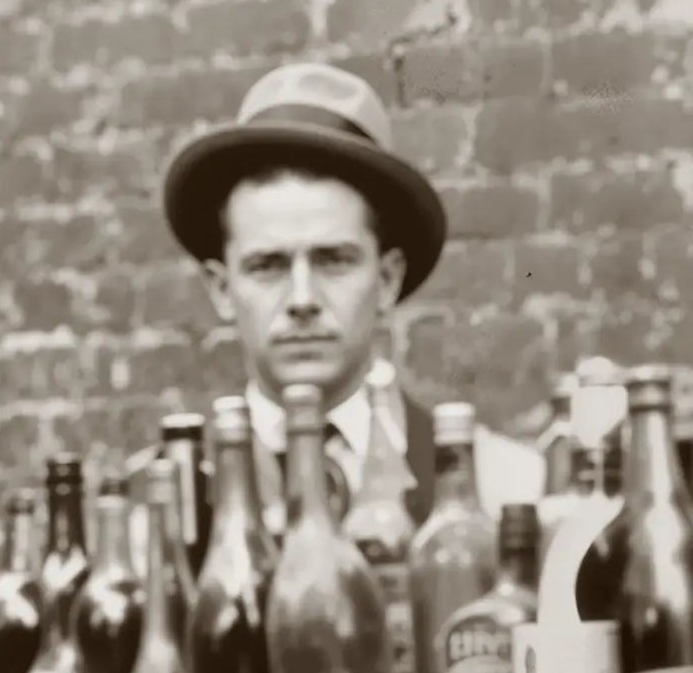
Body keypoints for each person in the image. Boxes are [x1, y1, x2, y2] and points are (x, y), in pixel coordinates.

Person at [162, 61, 543, 529]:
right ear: (222, 289)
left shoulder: (502, 485)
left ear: (386, 280)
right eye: (268, 266)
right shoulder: (165, 505)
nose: (302, 299)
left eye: (334, 261)